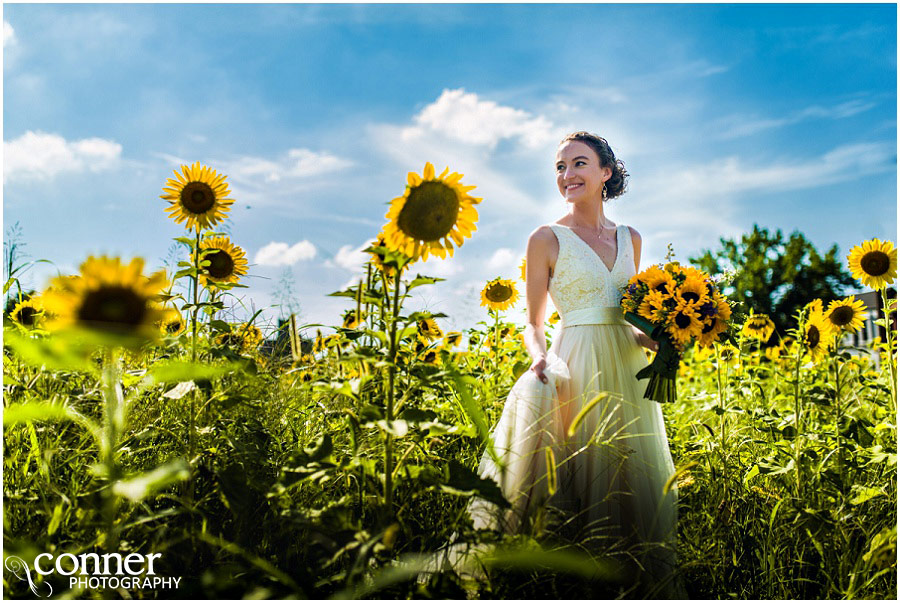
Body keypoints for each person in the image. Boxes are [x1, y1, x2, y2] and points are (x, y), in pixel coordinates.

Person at [468, 131, 686, 598]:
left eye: (579, 164)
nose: (568, 175)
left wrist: (663, 341)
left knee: (630, 471)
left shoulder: (632, 238)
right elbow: (532, 322)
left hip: (625, 366)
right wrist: (540, 357)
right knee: (576, 473)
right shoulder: (546, 238)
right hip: (575, 361)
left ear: (605, 173)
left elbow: (626, 319)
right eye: (560, 167)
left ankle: (628, 579)